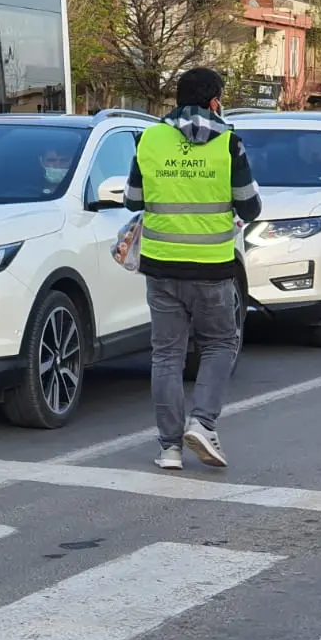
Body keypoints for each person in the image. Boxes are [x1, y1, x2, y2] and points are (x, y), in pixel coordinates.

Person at [124, 67, 262, 470]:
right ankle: (202, 422)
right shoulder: (229, 143)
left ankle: (169, 448)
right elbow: (250, 206)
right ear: (214, 102)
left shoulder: (149, 138)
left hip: (161, 265)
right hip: (212, 267)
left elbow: (133, 199)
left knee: (166, 354)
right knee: (219, 344)